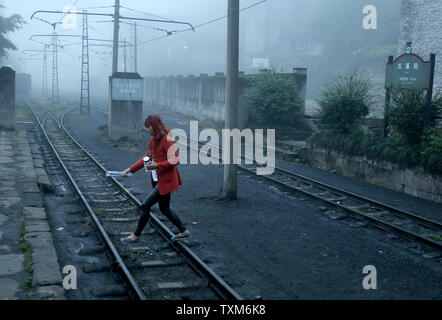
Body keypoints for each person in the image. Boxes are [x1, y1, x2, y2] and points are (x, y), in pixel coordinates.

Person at [120, 115, 190, 243]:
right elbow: (146, 158)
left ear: (156, 126)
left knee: (145, 205)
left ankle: (135, 235)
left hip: (166, 180)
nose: (147, 129)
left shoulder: (167, 140)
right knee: (164, 208)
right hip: (159, 179)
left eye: (149, 126)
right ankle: (184, 231)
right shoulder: (154, 140)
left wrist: (158, 165)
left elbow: (175, 159)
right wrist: (130, 169)